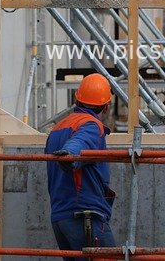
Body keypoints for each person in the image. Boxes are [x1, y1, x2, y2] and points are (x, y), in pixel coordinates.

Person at [45, 73, 116, 261]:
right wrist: (70, 155)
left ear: (77, 99)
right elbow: (80, 142)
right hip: (84, 217)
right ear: (107, 106)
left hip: (61, 219)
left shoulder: (58, 128)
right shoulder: (92, 126)